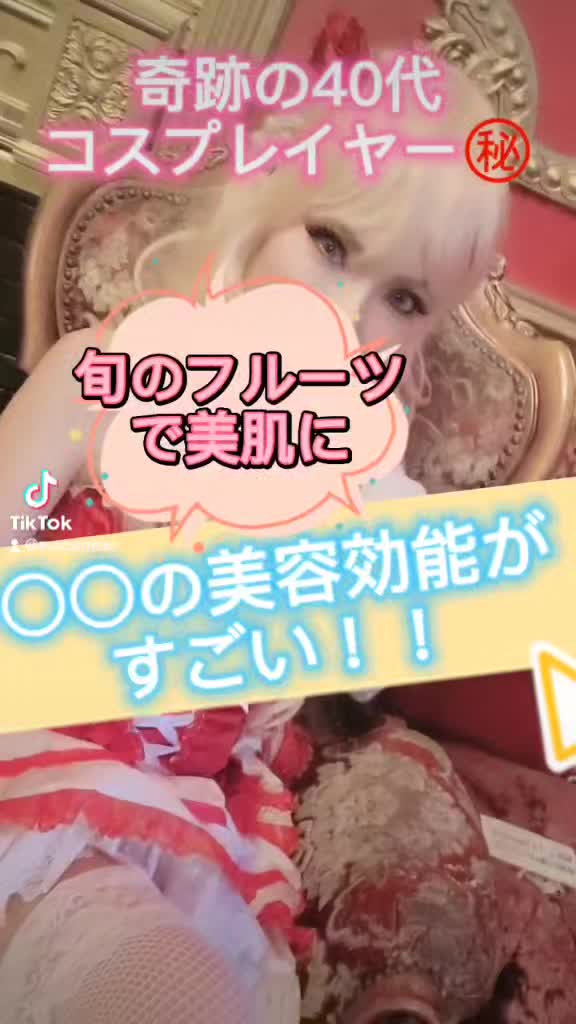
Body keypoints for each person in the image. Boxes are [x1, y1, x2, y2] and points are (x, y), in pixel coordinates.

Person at [0, 53, 507, 1023]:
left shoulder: (359, 500)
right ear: (260, 213)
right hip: (28, 776)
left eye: (404, 301)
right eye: (330, 242)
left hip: (180, 831)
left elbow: (380, 655)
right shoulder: (96, 383)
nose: (347, 316)